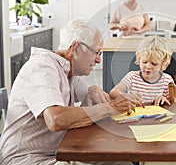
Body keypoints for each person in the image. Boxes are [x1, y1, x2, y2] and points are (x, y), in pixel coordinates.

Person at [0, 19, 139, 165]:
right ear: (76, 48)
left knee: (120, 160)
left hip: (58, 151)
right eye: (97, 52)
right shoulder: (42, 68)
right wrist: (109, 108)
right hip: (27, 158)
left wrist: (95, 93)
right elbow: (56, 119)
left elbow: (92, 102)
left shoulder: (69, 72)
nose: (98, 60)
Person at [109, 36, 174, 106]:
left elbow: (173, 102)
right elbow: (113, 92)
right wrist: (127, 96)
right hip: (135, 115)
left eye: (154, 64)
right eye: (144, 62)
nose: (148, 66)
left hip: (159, 116)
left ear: (163, 64)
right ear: (139, 59)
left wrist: (164, 99)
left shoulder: (167, 80)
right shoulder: (132, 77)